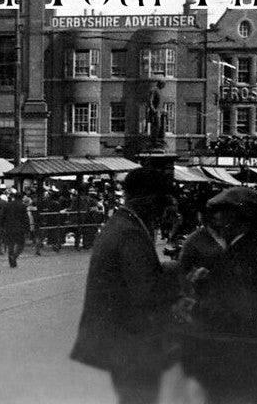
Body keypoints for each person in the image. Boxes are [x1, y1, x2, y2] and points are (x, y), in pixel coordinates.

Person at [71, 168, 180, 404]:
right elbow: (147, 290)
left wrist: (169, 269)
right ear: (148, 197)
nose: (165, 207)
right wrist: (183, 280)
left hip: (119, 340)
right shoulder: (131, 232)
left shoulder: (123, 222)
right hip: (131, 343)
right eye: (163, 199)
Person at [185, 187, 257, 404]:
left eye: (223, 215)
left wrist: (198, 303)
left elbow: (238, 308)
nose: (217, 221)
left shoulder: (245, 253)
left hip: (239, 360)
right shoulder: (251, 247)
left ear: (238, 220)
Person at [0, 190, 32, 267]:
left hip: (8, 227)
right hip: (19, 228)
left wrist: (1, 226)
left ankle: (11, 259)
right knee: (21, 244)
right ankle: (14, 256)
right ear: (22, 198)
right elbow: (25, 218)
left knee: (10, 244)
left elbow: (2, 216)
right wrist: (27, 229)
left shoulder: (7, 205)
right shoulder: (23, 206)